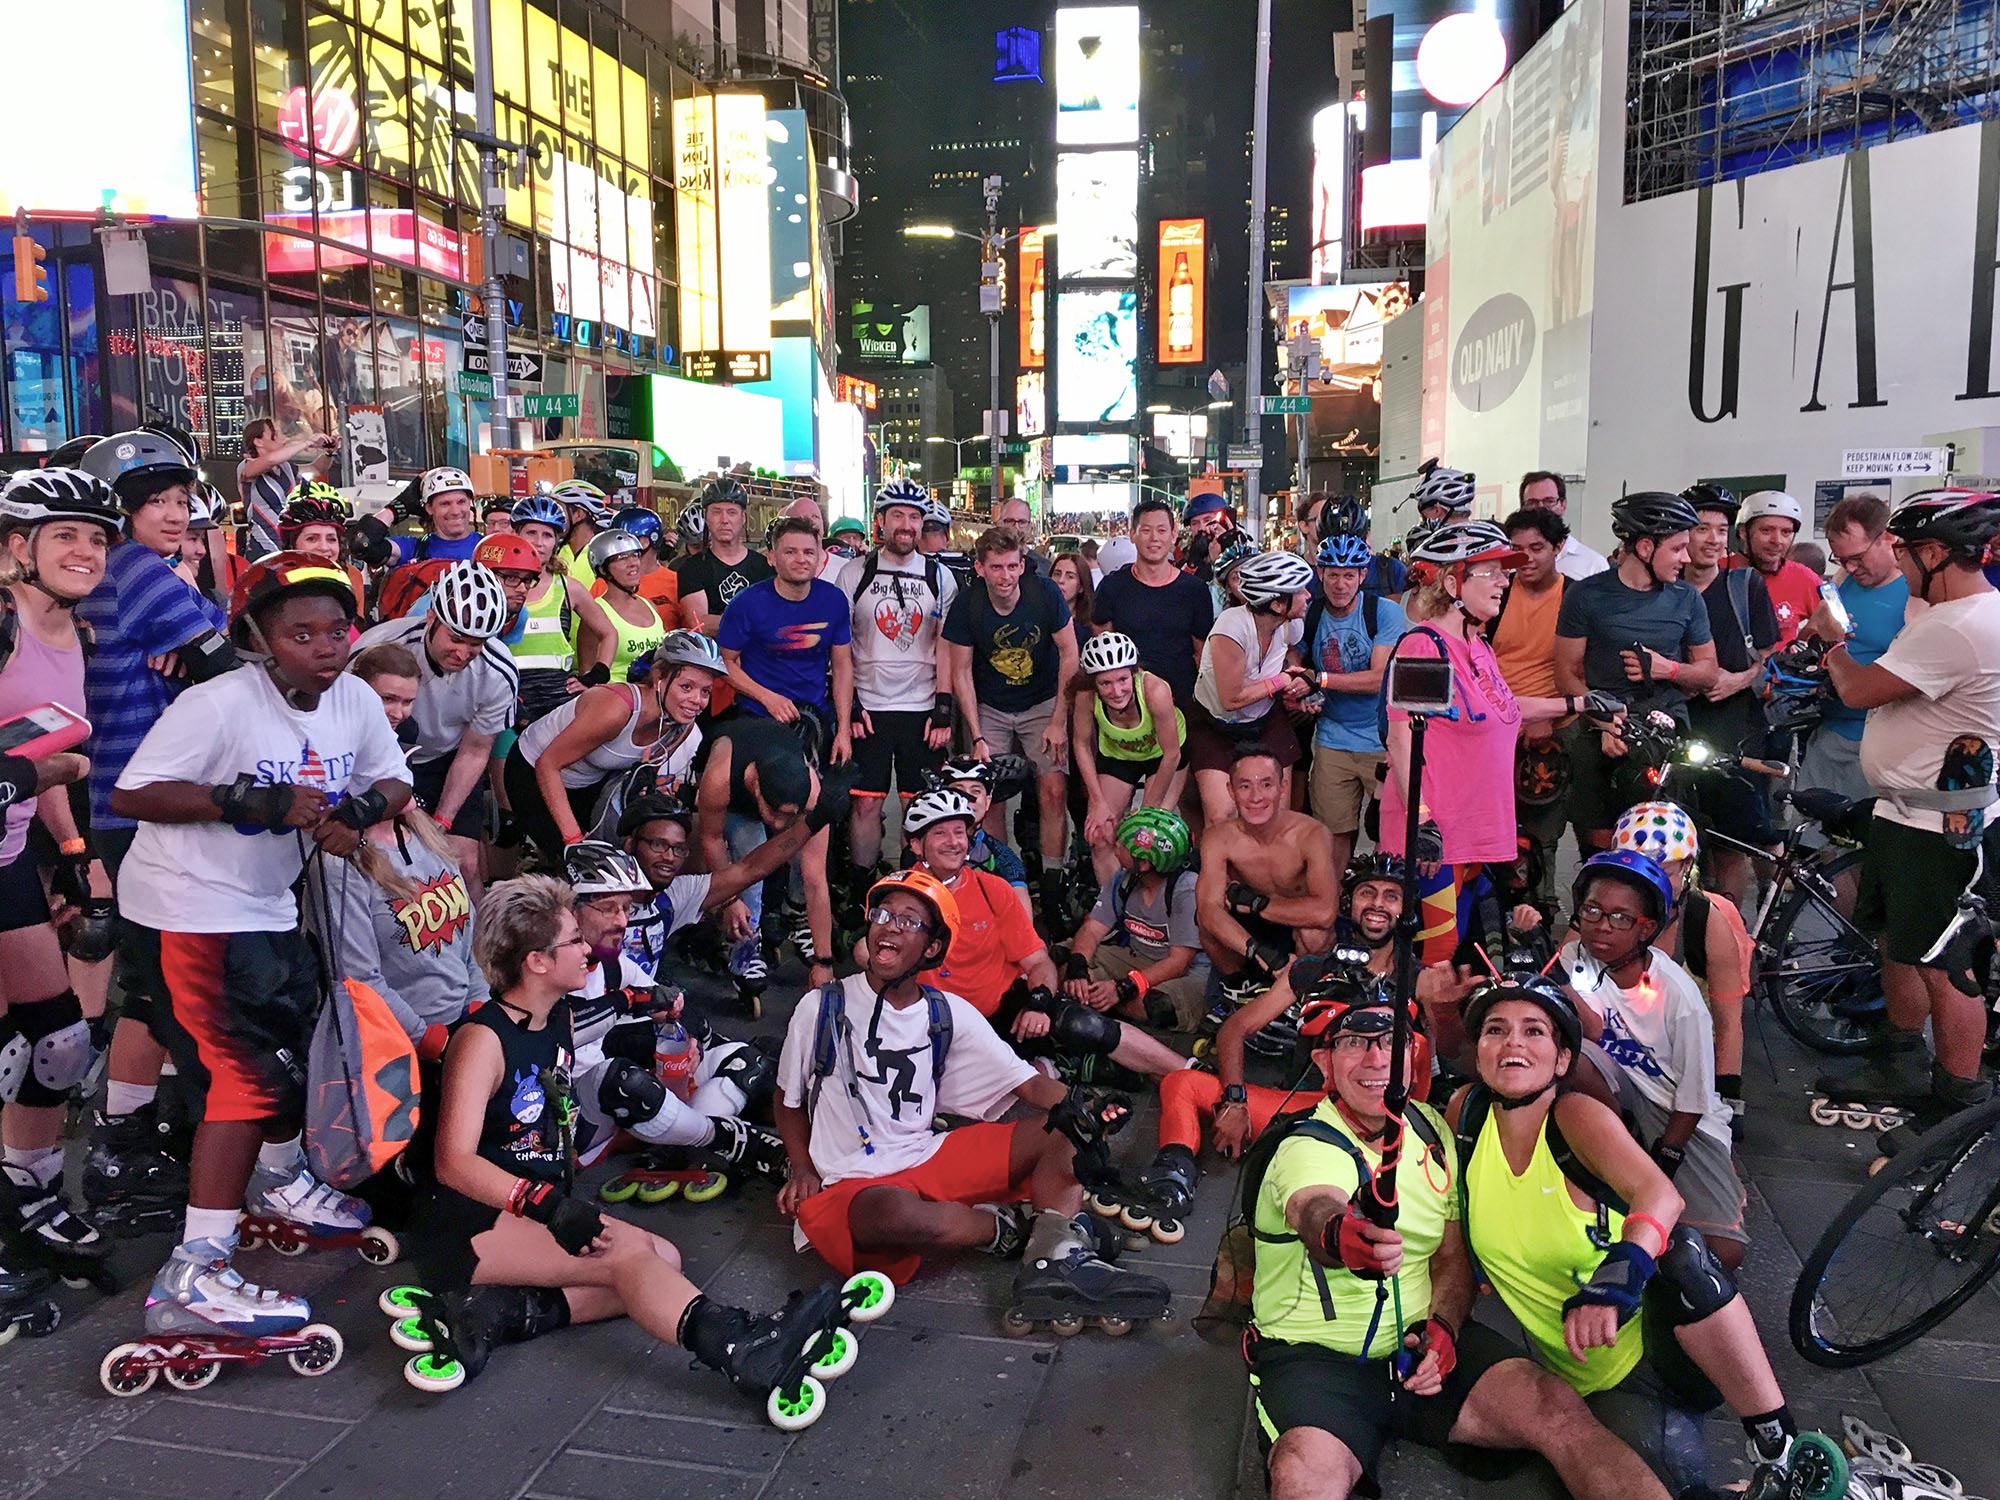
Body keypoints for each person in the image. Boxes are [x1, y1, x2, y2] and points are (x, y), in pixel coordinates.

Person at [408, 874, 859, 1404]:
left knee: (663, 1257)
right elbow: (453, 1163)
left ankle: (504, 1311)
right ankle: (742, 1347)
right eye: (574, 940)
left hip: (531, 1211)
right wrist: (548, 1205)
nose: (587, 949)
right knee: (628, 1260)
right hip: (470, 1223)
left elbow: (601, 1018)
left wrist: (640, 1001)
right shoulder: (481, 1040)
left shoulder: (552, 1017)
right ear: (537, 962)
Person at [112, 552, 411, 1345]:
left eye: (336, 630)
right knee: (243, 1080)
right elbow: (131, 792)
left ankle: (279, 1185)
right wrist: (243, 799)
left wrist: (360, 809)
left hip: (267, 904)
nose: (324, 646)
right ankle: (193, 1273)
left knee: (284, 1051)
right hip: (185, 907)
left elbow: (394, 780)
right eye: (299, 633)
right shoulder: (218, 704)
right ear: (258, 639)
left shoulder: (354, 698)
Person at [1251, 986, 1663, 1500]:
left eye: (1391, 1042)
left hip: (1422, 1347)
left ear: (1412, 1056)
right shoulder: (1305, 1146)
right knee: (1302, 1474)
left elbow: (1451, 1256)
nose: (1376, 1059)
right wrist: (1341, 1235)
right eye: (1354, 1042)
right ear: (1324, 1062)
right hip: (1319, 1362)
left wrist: (1445, 1326)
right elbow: (1313, 1206)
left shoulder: (1432, 1129)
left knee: (1558, 1410)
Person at [1454, 972, 1836, 1495]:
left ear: (1562, 1060)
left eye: (1534, 1031)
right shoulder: (1467, 1116)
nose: (1513, 1043)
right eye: (1495, 1030)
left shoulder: (1575, 1116)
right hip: (1587, 1375)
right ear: (1478, 1051)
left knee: (1682, 1253)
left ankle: (1779, 1446)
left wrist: (1614, 1283)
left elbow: (1662, 1196)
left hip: (1664, 1345)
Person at [772, 867, 1174, 1338]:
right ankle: (1016, 1230)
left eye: (909, 921)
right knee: (898, 1216)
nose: (889, 926)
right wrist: (802, 1168)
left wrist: (1088, 1106)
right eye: (882, 915)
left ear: (932, 948)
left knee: (1069, 1127)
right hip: (852, 1181)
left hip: (925, 1154)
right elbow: (787, 1098)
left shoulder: (946, 1012)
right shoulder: (821, 1006)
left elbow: (1027, 1084)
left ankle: (1053, 1260)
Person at [1813, 489, 2000, 1151]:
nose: (1894, 560)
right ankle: (1899, 1058)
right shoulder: (1946, 613)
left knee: (1947, 965)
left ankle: (1954, 1101)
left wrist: (1833, 643)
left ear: (1935, 553)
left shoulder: (1961, 625)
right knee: (1898, 943)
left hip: (1940, 827)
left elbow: (1860, 688)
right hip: (1904, 812)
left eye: (1903, 549)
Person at [76, 432, 238, 1191]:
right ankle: (133, 1135)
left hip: (123, 797)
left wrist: (196, 649)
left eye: (181, 501)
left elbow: (214, 639)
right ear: (122, 512)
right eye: (155, 502)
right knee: (172, 982)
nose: (175, 515)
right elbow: (231, 665)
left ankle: (142, 1124)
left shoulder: (127, 573)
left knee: (153, 982)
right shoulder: (138, 572)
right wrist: (197, 656)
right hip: (145, 797)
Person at [0, 471, 123, 1274]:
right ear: (20, 546)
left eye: (96, 538)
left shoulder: (76, 636)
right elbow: (33, 764)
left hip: (11, 855)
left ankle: (31, 1191)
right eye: (64, 535)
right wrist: (36, 773)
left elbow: (39, 748)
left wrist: (73, 850)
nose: (85, 551)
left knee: (58, 1046)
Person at [1386, 523, 1596, 963]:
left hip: (1471, 831)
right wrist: (1421, 822)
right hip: (1437, 837)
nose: (1505, 580)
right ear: (1452, 584)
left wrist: (1580, 703)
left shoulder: (1477, 644)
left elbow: (1503, 708)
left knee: (1465, 950)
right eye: (1492, 571)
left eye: (1505, 571)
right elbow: (1401, 736)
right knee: (1435, 958)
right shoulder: (1424, 647)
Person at [1561, 852, 1748, 1266]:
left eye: (1620, 917)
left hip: (1676, 1113)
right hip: (1614, 1092)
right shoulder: (1574, 959)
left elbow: (1694, 1098)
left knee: (1724, 1252)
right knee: (1573, 1057)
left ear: (1646, 928)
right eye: (1592, 911)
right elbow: (1590, 1030)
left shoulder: (1678, 996)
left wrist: (1666, 1158)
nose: (1602, 925)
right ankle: (1608, 1164)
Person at [1554, 492, 1719, 849]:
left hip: (1664, 731)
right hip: (1600, 729)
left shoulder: (1687, 598)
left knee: (1661, 846)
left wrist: (1667, 669)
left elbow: (1709, 673)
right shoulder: (1585, 595)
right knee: (1600, 847)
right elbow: (1566, 675)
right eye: (1677, 549)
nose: (1686, 558)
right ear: (1645, 548)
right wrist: (1604, 720)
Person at [350, 560, 517, 896]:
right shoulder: (379, 646)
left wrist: (442, 821)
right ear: (431, 618)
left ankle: (479, 931)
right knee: (379, 859)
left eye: (476, 643)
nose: (463, 652)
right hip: (380, 754)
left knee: (463, 862)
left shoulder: (498, 672)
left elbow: (475, 751)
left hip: (447, 758)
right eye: (455, 638)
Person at [945, 528, 1077, 924]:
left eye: (1012, 566)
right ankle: (1004, 880)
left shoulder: (1044, 593)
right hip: (991, 703)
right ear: (980, 568)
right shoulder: (968, 603)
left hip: (1042, 699)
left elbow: (1070, 652)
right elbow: (960, 671)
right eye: (996, 568)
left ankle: (1052, 882)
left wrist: (1058, 719)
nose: (1005, 576)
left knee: (1053, 788)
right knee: (991, 796)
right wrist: (977, 735)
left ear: (1023, 565)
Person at [835, 478, 959, 899]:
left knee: (919, 805)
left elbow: (946, 647)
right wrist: (850, 705)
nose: (906, 525)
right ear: (881, 521)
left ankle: (914, 889)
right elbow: (841, 647)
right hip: (869, 705)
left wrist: (943, 708)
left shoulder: (939, 576)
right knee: (866, 803)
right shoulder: (854, 573)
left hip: (921, 706)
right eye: (898, 516)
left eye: (914, 517)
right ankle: (860, 891)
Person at [507, 630, 722, 861]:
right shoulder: (617, 709)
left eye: (705, 691)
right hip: (532, 770)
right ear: (658, 678)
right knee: (575, 861)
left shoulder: (682, 726)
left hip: (588, 782)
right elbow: (548, 764)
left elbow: (643, 777)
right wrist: (574, 841)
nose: (697, 700)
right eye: (686, 687)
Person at [1612, 801, 1756, 1140]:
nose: (1651, 882)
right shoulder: (1603, 909)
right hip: (1621, 1055)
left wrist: (1728, 1095)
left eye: (1665, 871)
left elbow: (1728, 1022)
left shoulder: (1708, 919)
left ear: (1687, 867)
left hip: (1687, 1063)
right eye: (1637, 870)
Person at [1675, 485, 1782, 905]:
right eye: (1703, 528)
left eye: (1721, 530)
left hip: (1735, 727)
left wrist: (1738, 680)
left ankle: (1729, 932)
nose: (1713, 539)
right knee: (1680, 840)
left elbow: (1768, 656)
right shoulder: (1666, 589)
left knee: (1730, 844)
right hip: (1680, 724)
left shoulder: (1744, 585)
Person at [693, 715, 832, 1011]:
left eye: (789, 815)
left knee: (803, 854)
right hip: (731, 796)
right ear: (755, 786)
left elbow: (816, 879)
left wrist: (824, 961)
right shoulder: (720, 777)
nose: (780, 824)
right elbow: (711, 839)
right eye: (775, 813)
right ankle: (745, 942)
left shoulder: (813, 792)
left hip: (778, 772)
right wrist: (730, 900)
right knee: (751, 848)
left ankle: (794, 914)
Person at [1797, 493, 1914, 802]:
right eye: (1841, 559)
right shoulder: (1844, 581)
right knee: (1805, 825)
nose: (1851, 566)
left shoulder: (1915, 593)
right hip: (1830, 735)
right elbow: (1809, 634)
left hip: (1884, 744)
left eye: (1858, 557)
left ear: (1887, 538)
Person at [1196, 748, 1337, 1004]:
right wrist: (1258, 952)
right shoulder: (1218, 837)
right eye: (1245, 786)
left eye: (1266, 784)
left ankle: (1303, 994)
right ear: (1230, 791)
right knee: (1207, 927)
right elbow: (1208, 909)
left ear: (1283, 787)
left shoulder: (1312, 834)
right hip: (1250, 931)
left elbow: (1325, 912)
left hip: (1293, 927)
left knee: (1315, 934)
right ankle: (1238, 987)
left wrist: (1256, 904)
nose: (1256, 797)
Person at [1304, 533, 1405, 887]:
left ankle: (1382, 903)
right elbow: (1294, 661)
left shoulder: (1383, 612)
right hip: (1333, 737)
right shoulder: (1311, 614)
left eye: (1349, 575)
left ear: (1363, 575)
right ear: (1320, 573)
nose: (1340, 584)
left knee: (1387, 835)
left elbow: (1379, 678)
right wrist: (1300, 687)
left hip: (1381, 738)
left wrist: (1319, 680)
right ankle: (1331, 904)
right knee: (1333, 835)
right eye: (1332, 574)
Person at [1189, 551, 1314, 825]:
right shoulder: (1231, 627)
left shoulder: (1291, 625)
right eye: (1300, 591)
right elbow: (1231, 698)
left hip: (1265, 718)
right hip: (1216, 724)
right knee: (1222, 817)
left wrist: (1298, 686)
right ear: (1278, 604)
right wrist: (1281, 681)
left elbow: (1290, 657)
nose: (1308, 595)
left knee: (1276, 814)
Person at [1064, 807, 1209, 1038]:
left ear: (1144, 864)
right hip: (1138, 957)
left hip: (1186, 974)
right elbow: (1092, 929)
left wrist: (1123, 988)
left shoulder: (1186, 890)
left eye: (1122, 845)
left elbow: (1178, 963)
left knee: (1157, 1005)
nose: (1116, 847)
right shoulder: (1123, 879)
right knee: (1063, 957)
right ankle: (1096, 1000)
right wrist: (1078, 968)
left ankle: (1096, 1005)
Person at [1491, 508, 1572, 911]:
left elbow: (1583, 668)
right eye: (1516, 549)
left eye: (1537, 548)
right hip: (1494, 729)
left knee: (1542, 832)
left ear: (1558, 547)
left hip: (1552, 729)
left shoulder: (1576, 597)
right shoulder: (1497, 592)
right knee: (1492, 824)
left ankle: (1541, 909)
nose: (1526, 558)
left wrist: (1551, 720)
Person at [719, 516, 853, 757]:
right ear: (772, 558)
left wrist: (843, 730)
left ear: (819, 558)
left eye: (809, 552)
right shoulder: (746, 604)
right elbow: (722, 662)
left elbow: (842, 664)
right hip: (759, 717)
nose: (801, 559)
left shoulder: (834, 600)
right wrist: (767, 698)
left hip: (815, 717)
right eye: (790, 552)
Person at [1070, 632, 1185, 884]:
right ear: (1093, 683)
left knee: (1145, 837)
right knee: (1100, 834)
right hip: (1119, 755)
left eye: (1123, 679)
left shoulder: (1155, 690)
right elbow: (1081, 744)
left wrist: (1145, 814)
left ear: (1134, 674)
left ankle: (1148, 898)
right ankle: (1112, 900)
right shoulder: (1086, 696)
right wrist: (1097, 802)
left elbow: (1172, 754)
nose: (1116, 691)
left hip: (1162, 756)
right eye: (1105, 683)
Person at [502, 494, 614, 729]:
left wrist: (596, 675)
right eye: (531, 533)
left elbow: (608, 633)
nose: (539, 542)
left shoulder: (568, 587)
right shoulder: (497, 584)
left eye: (547, 535)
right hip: (507, 697)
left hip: (558, 700)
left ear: (556, 541)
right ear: (516, 534)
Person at [1092, 496, 1215, 711]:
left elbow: (1202, 655)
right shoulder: (1111, 587)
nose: (1154, 538)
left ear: (1173, 535)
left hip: (1183, 702)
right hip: (1127, 705)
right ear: (1132, 534)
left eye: (1161, 530)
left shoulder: (1195, 590)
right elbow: (1103, 651)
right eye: (1146, 530)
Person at [675, 476, 774, 641]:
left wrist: (723, 621)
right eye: (716, 512)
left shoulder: (764, 567)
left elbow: (775, 618)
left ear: (743, 518)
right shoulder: (691, 568)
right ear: (706, 516)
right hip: (713, 655)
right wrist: (753, 622)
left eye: (732, 512)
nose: (724, 520)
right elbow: (698, 624)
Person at [573, 530, 667, 684]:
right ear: (603, 569)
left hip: (650, 695)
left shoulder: (650, 606)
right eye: (622, 558)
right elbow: (587, 672)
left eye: (635, 555)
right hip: (613, 695)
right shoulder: (596, 613)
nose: (633, 563)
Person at [1732, 490, 1824, 647]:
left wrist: (1805, 636)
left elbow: (1837, 630)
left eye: (1786, 532)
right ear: (1743, 532)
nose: (1777, 541)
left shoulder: (1803, 578)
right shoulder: (1717, 572)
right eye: (1766, 530)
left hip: (1781, 663)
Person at [350, 466, 484, 571]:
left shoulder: (487, 547)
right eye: (445, 504)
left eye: (461, 502)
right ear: (429, 508)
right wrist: (397, 507)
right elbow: (361, 544)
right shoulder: (413, 549)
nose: (455, 511)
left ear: (470, 503)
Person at [237, 416, 335, 557]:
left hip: (288, 545)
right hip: (262, 547)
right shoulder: (247, 466)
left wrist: (329, 452)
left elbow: (316, 469)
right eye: (276, 434)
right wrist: (307, 443)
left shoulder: (285, 467)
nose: (283, 438)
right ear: (258, 441)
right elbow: (270, 459)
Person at [1519, 471, 1608, 579]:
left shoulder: (1593, 565)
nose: (1541, 508)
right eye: (1532, 502)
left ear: (1563, 505)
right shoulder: (1511, 561)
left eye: (1549, 501)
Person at [552, 480, 615, 586]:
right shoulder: (554, 553)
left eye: (558, 510)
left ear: (578, 514)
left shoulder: (605, 557)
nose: (552, 516)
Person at [1050, 550, 1094, 649]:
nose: (1061, 580)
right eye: (1057, 574)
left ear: (1081, 587)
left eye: (1070, 576)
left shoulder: (1088, 629)